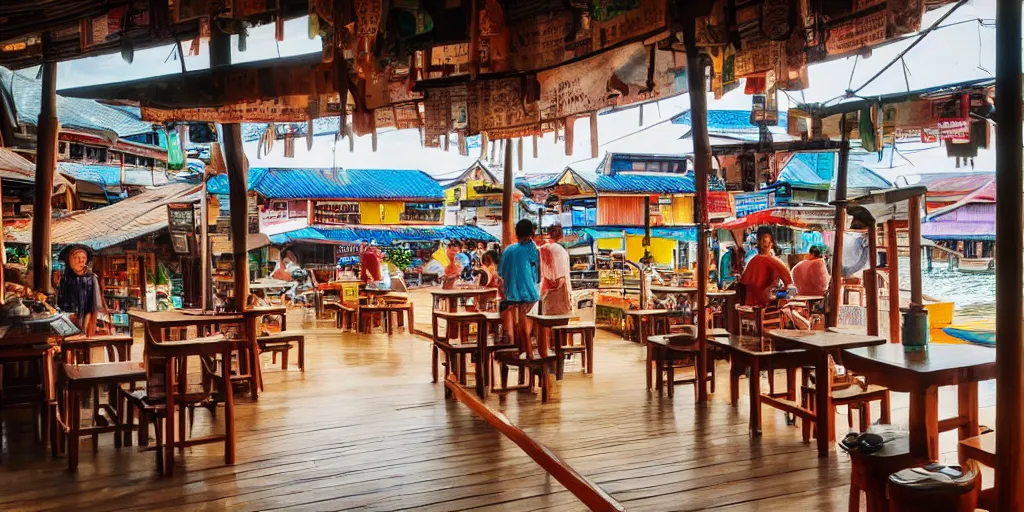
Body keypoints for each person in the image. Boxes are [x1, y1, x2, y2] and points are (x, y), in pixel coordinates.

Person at [499, 219, 541, 359]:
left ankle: (522, 350)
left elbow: (501, 272)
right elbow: (537, 274)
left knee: (518, 323)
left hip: (511, 294)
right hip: (530, 294)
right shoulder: (531, 248)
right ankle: (529, 352)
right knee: (526, 324)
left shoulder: (508, 250)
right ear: (531, 233)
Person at [56, 245, 107, 337]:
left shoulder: (92, 278)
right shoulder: (65, 279)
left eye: (84, 257)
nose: (81, 260)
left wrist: (85, 325)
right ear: (70, 261)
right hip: (68, 322)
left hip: (88, 321)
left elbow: (94, 305)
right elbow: (61, 302)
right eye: (77, 257)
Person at [739, 227, 792, 307]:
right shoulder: (759, 260)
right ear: (758, 242)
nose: (767, 244)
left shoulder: (763, 260)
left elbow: (743, 282)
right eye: (765, 241)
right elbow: (788, 281)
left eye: (769, 241)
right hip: (763, 304)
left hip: (755, 305)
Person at [539, 223, 572, 315]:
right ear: (561, 235)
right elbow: (561, 278)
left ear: (548, 233)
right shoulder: (560, 251)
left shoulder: (542, 249)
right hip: (559, 291)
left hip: (544, 289)